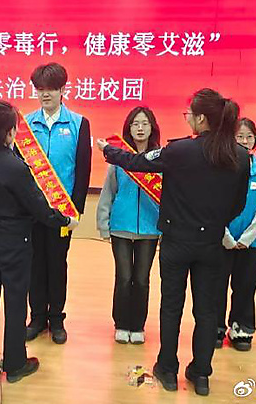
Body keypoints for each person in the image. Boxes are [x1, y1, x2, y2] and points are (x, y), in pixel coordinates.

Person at [97, 88, 250, 396]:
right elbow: (238, 204)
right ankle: (201, 374)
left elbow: (138, 162)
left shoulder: (180, 151)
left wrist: (108, 150)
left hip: (177, 241)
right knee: (207, 311)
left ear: (202, 118)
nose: (188, 119)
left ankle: (167, 368)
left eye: (190, 114)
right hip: (212, 244)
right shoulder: (240, 155)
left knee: (171, 306)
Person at [0, 100, 78, 383]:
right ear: (10, 132)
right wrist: (65, 221)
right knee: (15, 302)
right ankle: (15, 364)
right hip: (13, 243)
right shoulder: (15, 167)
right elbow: (38, 208)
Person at [25, 63, 91, 345]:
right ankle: (37, 317)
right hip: (32, 210)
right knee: (34, 264)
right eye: (40, 89)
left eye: (51, 89)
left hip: (63, 212)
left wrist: (76, 210)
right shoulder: (26, 125)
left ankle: (57, 318)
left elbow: (83, 169)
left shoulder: (78, 123)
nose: (45, 94)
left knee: (57, 263)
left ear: (63, 89)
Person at [96, 106, 161, 345]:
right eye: (135, 124)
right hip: (121, 227)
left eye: (145, 123)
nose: (140, 128)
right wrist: (103, 224)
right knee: (123, 278)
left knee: (142, 280)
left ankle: (138, 325)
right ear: (129, 128)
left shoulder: (160, 158)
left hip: (150, 229)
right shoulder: (118, 158)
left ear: (152, 127)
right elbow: (108, 192)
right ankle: (121, 324)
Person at [216, 118, 256, 351]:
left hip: (251, 243)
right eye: (239, 136)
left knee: (246, 286)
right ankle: (215, 327)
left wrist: (247, 238)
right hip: (222, 240)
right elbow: (214, 205)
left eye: (249, 137)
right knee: (217, 285)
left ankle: (241, 329)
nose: (244, 141)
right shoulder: (221, 168)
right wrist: (226, 236)